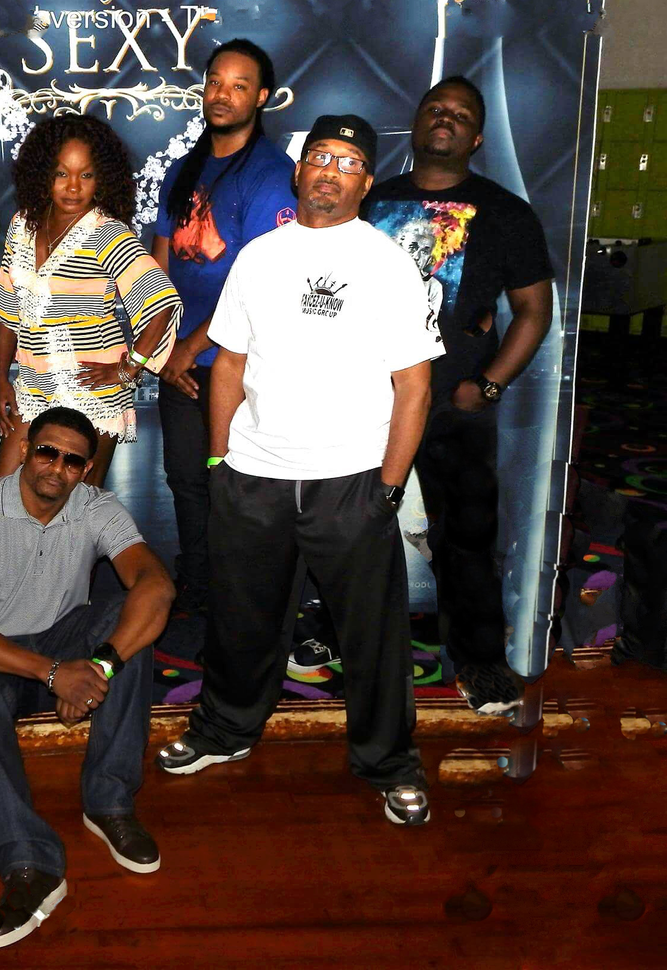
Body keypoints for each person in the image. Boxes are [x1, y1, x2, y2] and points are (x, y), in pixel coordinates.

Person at [156, 113, 441, 827]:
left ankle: (389, 763)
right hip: (254, 475)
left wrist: (388, 486)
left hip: (352, 481)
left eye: (348, 162)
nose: (330, 171)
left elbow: (414, 385)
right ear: (299, 168)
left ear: (366, 183)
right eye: (320, 156)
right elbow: (230, 361)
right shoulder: (261, 256)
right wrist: (219, 457)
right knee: (241, 621)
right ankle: (224, 730)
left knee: (371, 638)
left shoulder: (386, 262)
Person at [0, 406, 175, 949]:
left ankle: (109, 803)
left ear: (86, 470)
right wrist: (53, 675)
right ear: (25, 450)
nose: (57, 467)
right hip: (0, 657)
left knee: (132, 616)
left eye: (72, 461)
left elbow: (156, 585)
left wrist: (99, 668)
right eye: (47, 452)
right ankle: (29, 862)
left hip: (67, 642)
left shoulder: (97, 507)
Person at [362, 76, 554, 716]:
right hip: (367, 403)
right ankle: (334, 634)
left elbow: (534, 310)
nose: (445, 118)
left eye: (461, 114)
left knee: (467, 537)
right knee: (346, 527)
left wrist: (490, 384)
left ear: (476, 138)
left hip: (453, 407)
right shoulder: (371, 201)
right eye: (435, 108)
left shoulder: (505, 212)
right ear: (417, 122)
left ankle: (479, 660)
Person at [151, 38, 297, 614]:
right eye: (215, 81)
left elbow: (262, 284)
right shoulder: (185, 167)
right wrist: (163, 347)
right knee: (186, 482)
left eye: (239, 86)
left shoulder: (272, 175)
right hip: (181, 360)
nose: (222, 94)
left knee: (235, 490)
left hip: (237, 363)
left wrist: (188, 347)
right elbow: (159, 261)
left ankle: (245, 602)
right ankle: (199, 588)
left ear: (261, 97)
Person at [0, 115, 182, 487]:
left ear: (102, 178)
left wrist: (129, 369)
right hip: (33, 388)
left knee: (75, 509)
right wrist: (0, 379)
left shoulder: (108, 233)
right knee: (1, 495)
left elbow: (162, 301)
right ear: (44, 174)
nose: (74, 186)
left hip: (93, 394)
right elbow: (6, 309)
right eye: (62, 173)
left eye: (86, 175)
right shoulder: (21, 225)